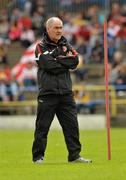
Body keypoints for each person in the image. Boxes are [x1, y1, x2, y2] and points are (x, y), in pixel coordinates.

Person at [32, 17, 92, 164]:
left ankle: (75, 156)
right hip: (48, 93)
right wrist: (64, 62)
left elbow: (75, 61)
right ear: (48, 29)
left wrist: (56, 60)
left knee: (72, 126)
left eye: (61, 27)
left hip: (66, 93)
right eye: (56, 28)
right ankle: (38, 157)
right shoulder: (40, 46)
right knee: (42, 127)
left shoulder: (67, 44)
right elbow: (47, 65)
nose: (59, 30)